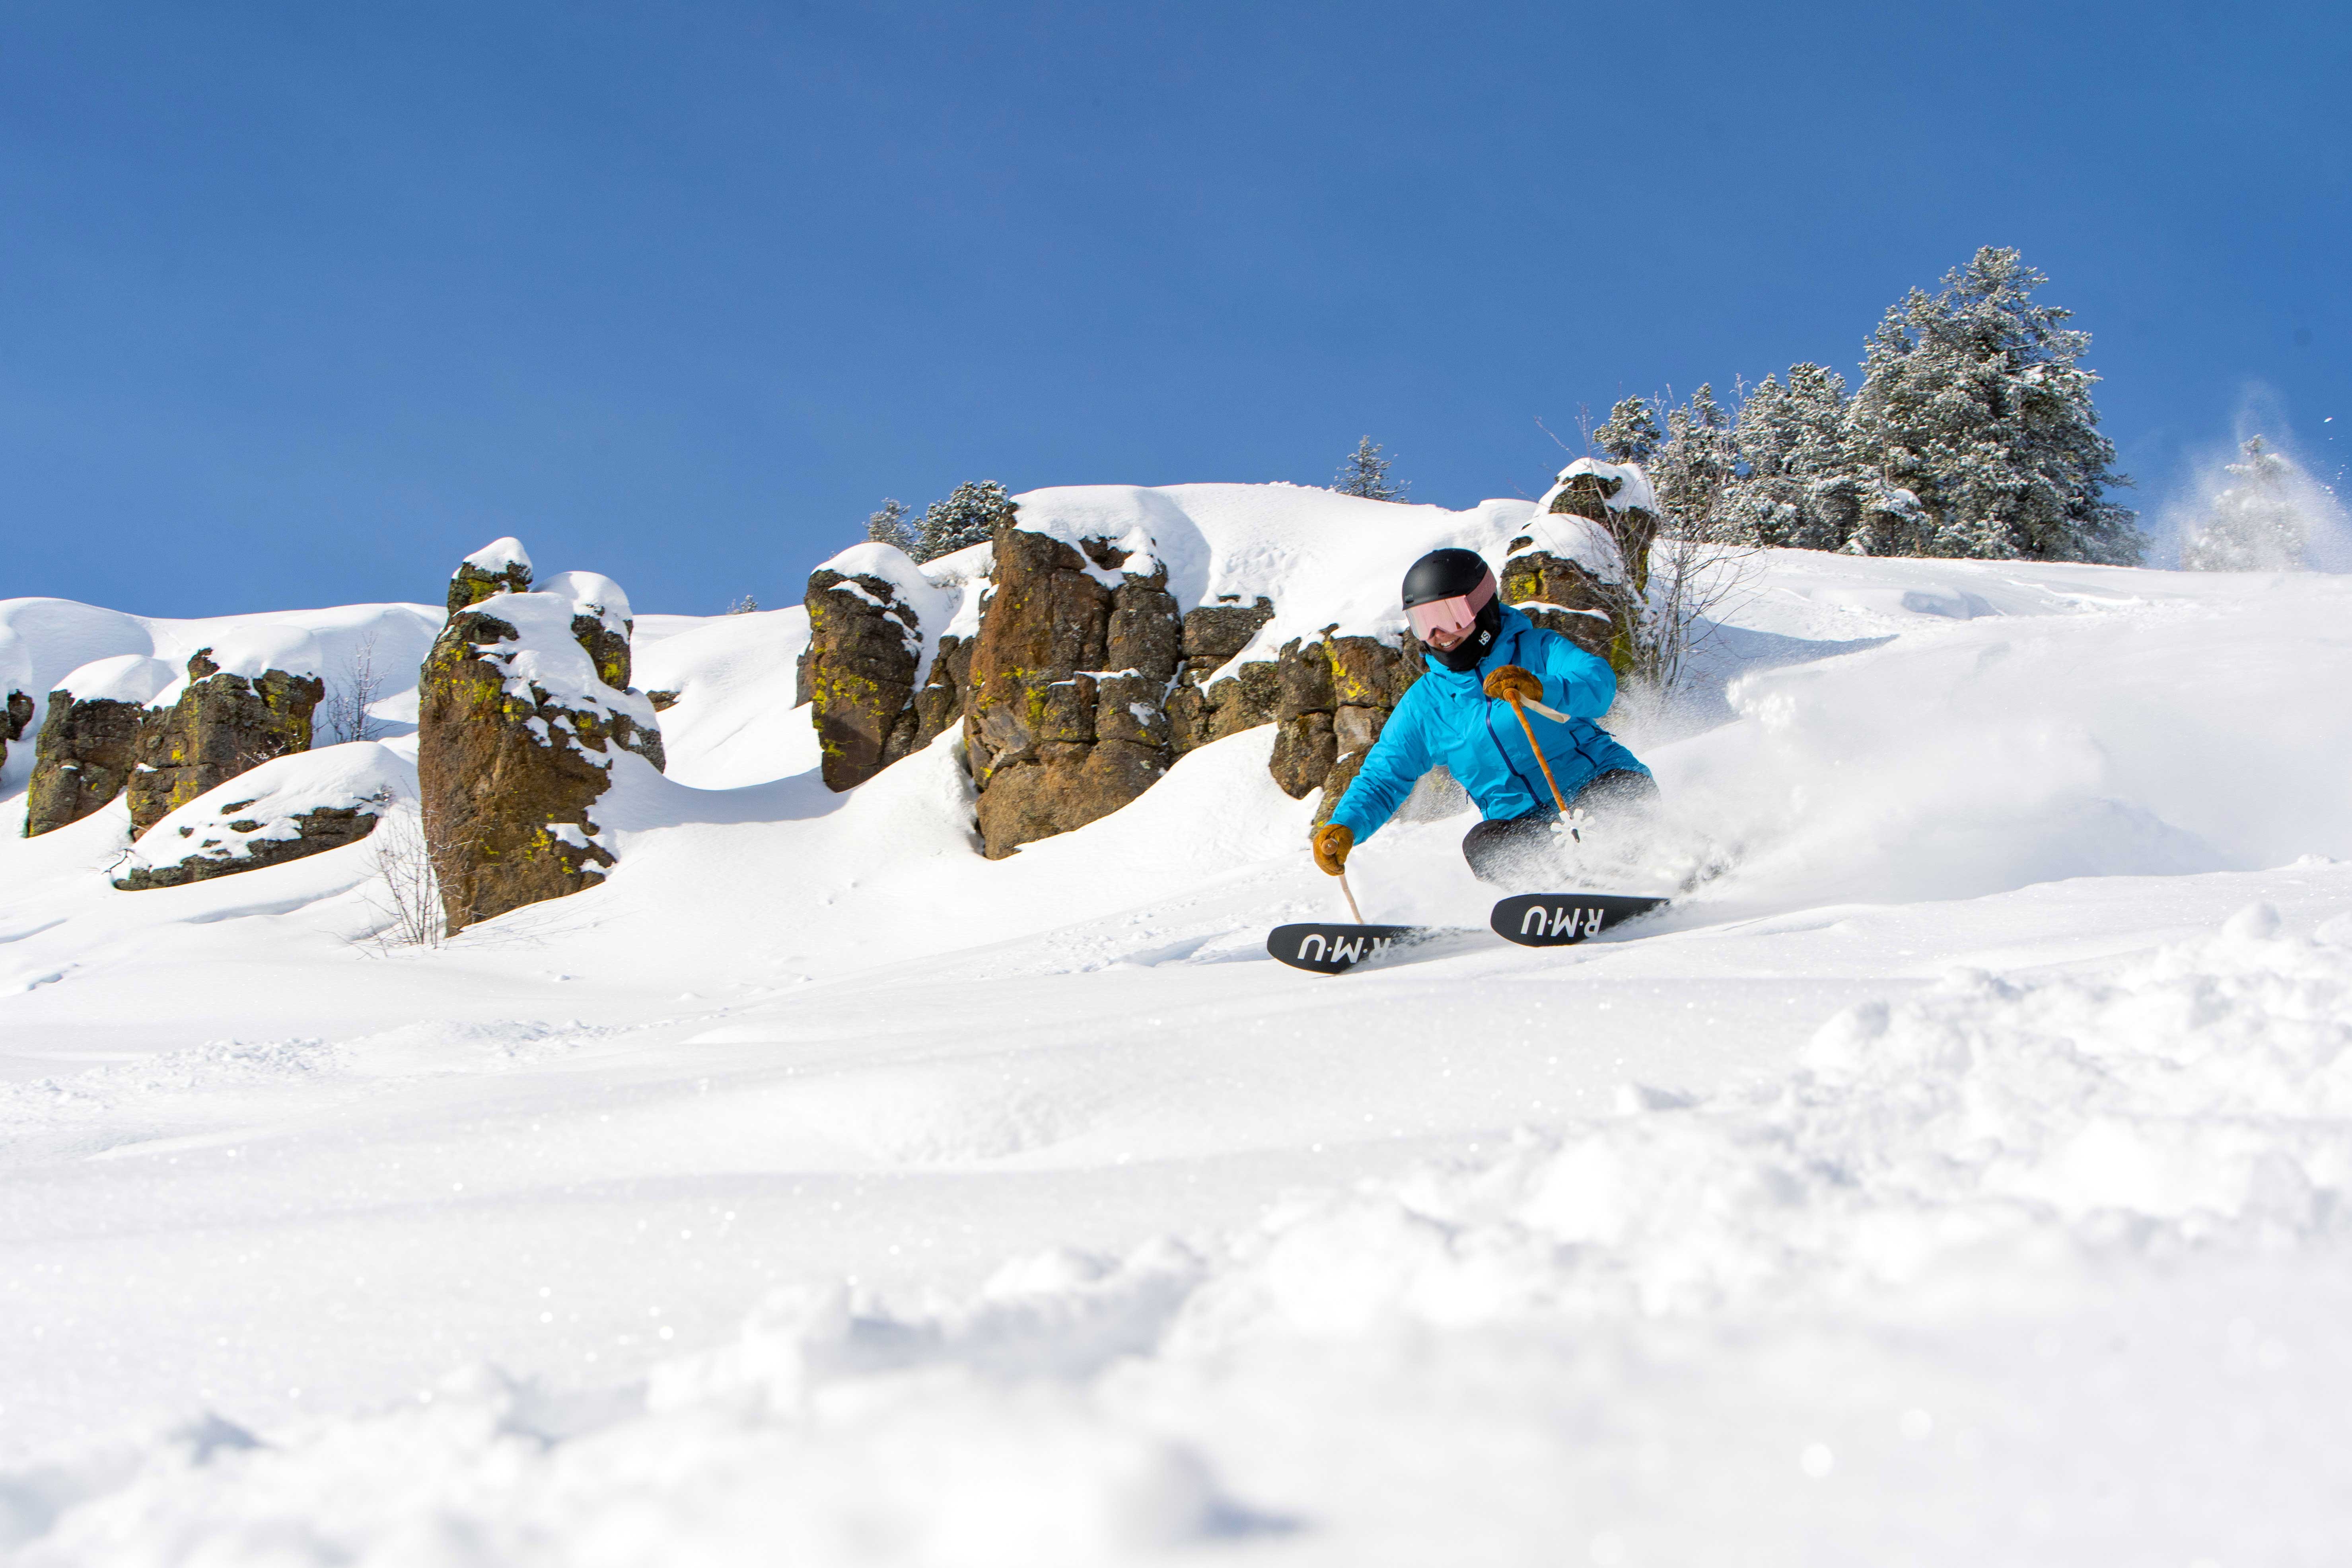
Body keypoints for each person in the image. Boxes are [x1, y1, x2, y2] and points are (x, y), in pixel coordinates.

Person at [1313, 548, 1656, 887]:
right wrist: (1346, 824)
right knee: (1485, 846)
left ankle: (1659, 870)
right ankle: (1557, 897)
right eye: (1423, 623)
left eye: (1449, 616)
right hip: (1524, 823)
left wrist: (1542, 688)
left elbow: (1598, 684)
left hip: (1596, 785)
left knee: (1609, 805)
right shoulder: (1425, 703)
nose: (1439, 634)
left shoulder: (1538, 650)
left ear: (1482, 605)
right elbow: (1383, 776)